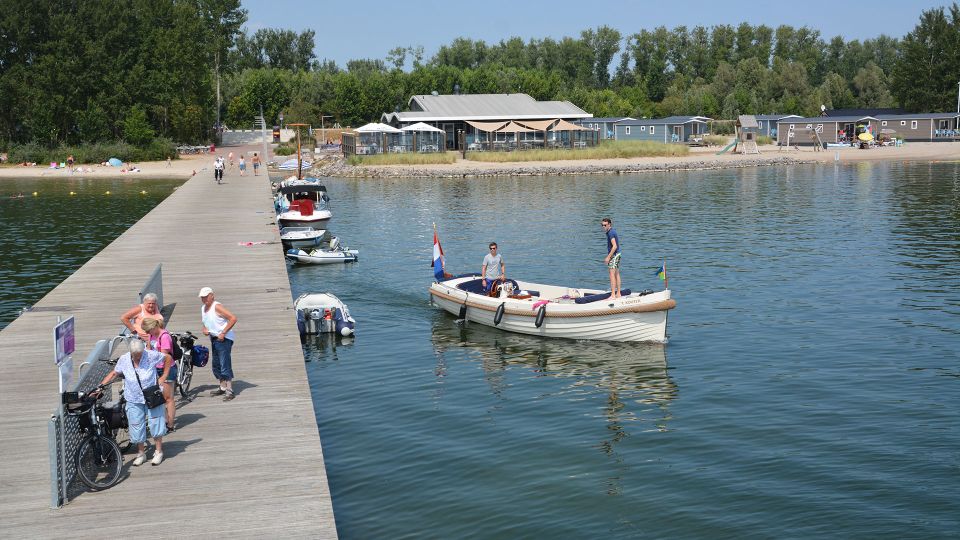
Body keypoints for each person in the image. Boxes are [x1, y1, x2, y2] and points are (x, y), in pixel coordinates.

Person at [96, 339, 169, 466]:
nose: (138, 357)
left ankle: (158, 451)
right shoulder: (124, 359)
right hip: (133, 398)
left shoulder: (151, 355)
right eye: (135, 355)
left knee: (156, 422)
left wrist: (163, 377)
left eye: (140, 354)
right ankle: (141, 453)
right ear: (130, 352)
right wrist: (100, 386)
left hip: (151, 396)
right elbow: (114, 373)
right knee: (136, 425)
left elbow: (167, 358)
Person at [199, 287, 238, 401]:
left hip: (224, 339)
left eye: (206, 296)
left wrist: (223, 332)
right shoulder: (203, 308)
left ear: (212, 295)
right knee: (216, 364)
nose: (204, 299)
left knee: (224, 363)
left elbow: (233, 318)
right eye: (202, 297)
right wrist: (204, 329)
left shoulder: (217, 306)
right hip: (214, 338)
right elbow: (205, 322)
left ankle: (229, 390)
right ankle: (222, 387)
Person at [141, 318, 177, 431]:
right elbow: (148, 350)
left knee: (168, 398)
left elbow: (164, 357)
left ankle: (170, 424)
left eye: (148, 330)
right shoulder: (151, 335)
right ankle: (165, 420)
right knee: (159, 397)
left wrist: (163, 375)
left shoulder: (164, 336)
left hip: (167, 368)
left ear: (154, 327)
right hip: (155, 368)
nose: (147, 333)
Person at [601, 218, 622, 298]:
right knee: (616, 274)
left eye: (605, 225)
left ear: (609, 224)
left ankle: (613, 295)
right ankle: (618, 293)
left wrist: (608, 257)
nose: (603, 227)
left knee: (611, 274)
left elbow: (615, 246)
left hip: (614, 255)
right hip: (617, 254)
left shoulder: (610, 233)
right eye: (602, 225)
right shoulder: (611, 232)